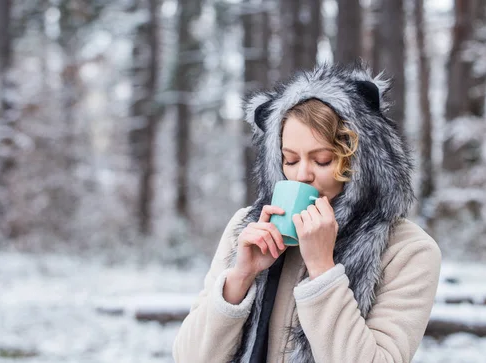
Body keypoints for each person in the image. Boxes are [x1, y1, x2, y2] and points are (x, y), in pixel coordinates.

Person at [172, 63, 441, 363]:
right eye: (289, 160)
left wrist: (323, 271)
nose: (301, 175)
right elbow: (189, 357)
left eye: (323, 160)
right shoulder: (247, 228)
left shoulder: (409, 251)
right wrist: (240, 277)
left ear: (361, 163)